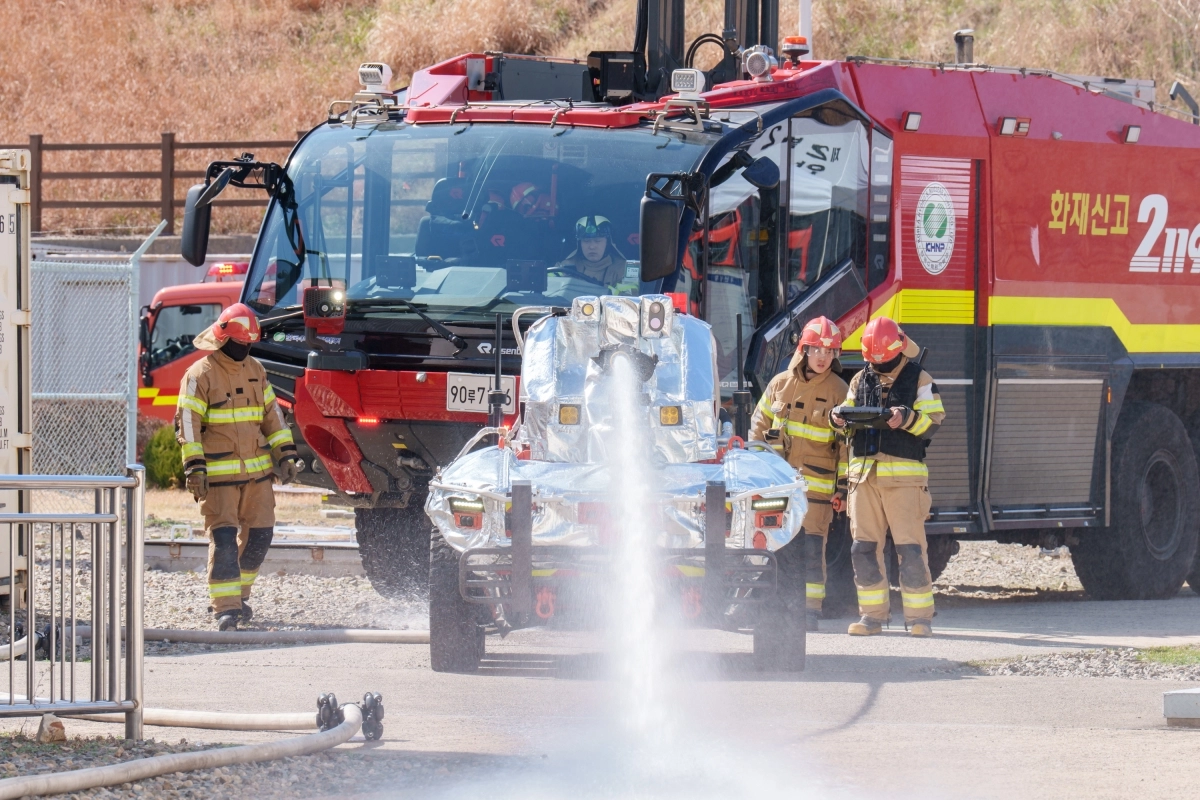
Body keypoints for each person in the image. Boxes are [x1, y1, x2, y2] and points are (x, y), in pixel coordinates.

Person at [175, 303, 299, 630]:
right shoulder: (200, 375)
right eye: (240, 343)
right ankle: (225, 608)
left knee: (260, 536)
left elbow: (272, 415)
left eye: (249, 344)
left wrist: (285, 454)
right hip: (218, 477)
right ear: (223, 338)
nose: (245, 348)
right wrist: (195, 468)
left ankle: (239, 595)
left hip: (257, 475)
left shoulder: (255, 370)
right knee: (225, 539)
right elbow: (188, 424)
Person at [830, 317, 945, 638]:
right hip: (863, 480)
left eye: (883, 360)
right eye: (872, 361)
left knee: (910, 550)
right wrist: (837, 417)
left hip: (904, 482)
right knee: (863, 549)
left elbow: (934, 422)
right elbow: (847, 415)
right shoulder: (860, 380)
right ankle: (872, 617)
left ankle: (920, 618)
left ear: (899, 348)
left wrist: (906, 418)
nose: (878, 366)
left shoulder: (919, 379)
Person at [749, 316, 848, 632]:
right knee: (770, 545)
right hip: (777, 487)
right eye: (817, 349)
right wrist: (756, 474)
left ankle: (809, 611)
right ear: (804, 349)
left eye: (830, 351)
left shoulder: (840, 391)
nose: (823, 357)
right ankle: (770, 605)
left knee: (810, 550)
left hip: (817, 491)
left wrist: (843, 488)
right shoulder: (780, 384)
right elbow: (757, 428)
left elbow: (847, 446)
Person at [554, 215, 630, 290]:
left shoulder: (624, 270)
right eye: (586, 241)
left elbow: (628, 298)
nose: (592, 246)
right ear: (579, 244)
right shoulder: (565, 267)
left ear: (608, 243)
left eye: (597, 241)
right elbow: (549, 287)